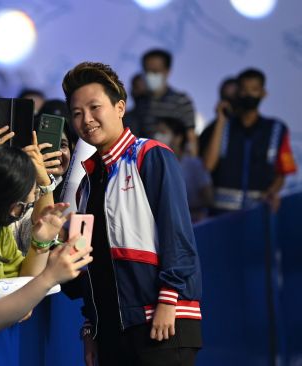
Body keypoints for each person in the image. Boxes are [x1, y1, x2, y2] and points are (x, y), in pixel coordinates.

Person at [61, 61, 202, 365]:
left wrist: (168, 300)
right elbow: (88, 267)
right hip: (112, 330)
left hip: (161, 321)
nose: (86, 120)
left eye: (94, 107)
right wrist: (91, 328)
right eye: (77, 113)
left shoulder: (150, 155)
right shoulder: (85, 183)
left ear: (120, 107)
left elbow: (176, 234)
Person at [0, 145, 92, 334]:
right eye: (24, 206)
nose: (23, 213)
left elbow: (23, 282)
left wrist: (41, 242)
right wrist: (50, 277)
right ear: (9, 203)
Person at [200, 68, 297, 214]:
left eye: (254, 90)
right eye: (244, 90)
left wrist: (272, 191)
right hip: (220, 216)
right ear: (237, 93)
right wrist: (221, 122)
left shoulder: (276, 129)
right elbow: (208, 165)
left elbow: (282, 172)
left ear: (263, 93)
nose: (249, 95)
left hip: (257, 214)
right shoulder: (220, 126)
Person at [126, 49, 198, 155]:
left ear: (167, 71)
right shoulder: (141, 103)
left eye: (155, 71)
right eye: (147, 71)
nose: (150, 75)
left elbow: (191, 139)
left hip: (172, 161)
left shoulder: (181, 101)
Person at [154, 117, 212, 222]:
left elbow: (208, 198)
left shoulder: (194, 165)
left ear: (178, 137)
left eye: (163, 132)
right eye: (157, 132)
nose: (157, 137)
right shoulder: (156, 166)